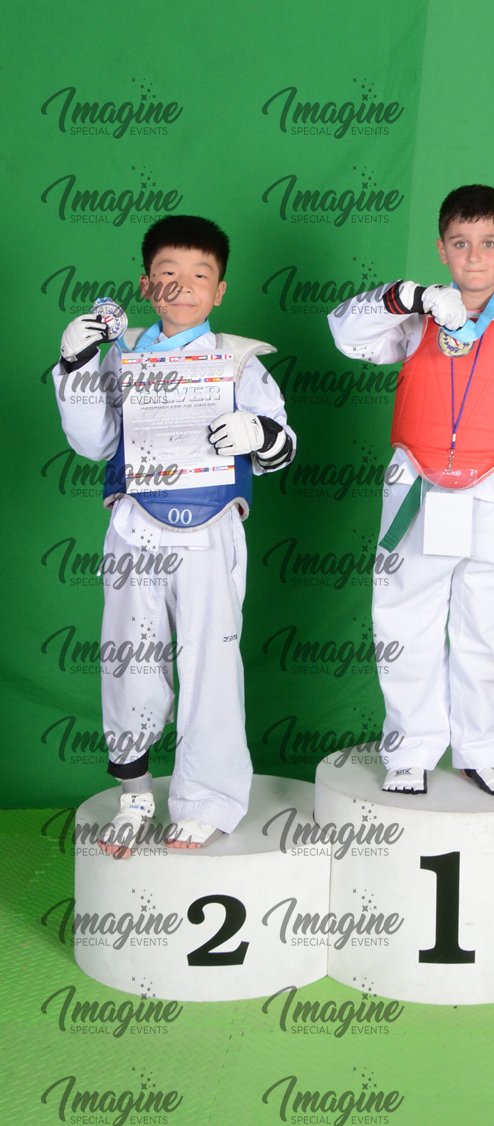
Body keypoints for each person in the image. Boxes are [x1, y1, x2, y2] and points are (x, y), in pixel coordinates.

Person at [328, 185, 494, 796]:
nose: (474, 256)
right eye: (460, 243)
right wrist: (411, 296)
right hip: (417, 491)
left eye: (489, 243)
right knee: (404, 624)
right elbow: (345, 332)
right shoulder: (412, 318)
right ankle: (409, 749)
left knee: (486, 631)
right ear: (441, 249)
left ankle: (480, 749)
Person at [54, 214, 295, 857]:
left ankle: (207, 799)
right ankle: (134, 793)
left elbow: (282, 448)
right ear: (145, 285)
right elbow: (93, 442)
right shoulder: (120, 354)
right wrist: (75, 364)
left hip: (212, 532)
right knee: (129, 660)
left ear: (219, 290)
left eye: (199, 275)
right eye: (167, 274)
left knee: (211, 663)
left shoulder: (238, 362)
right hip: (135, 528)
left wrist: (260, 434)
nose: (182, 286)